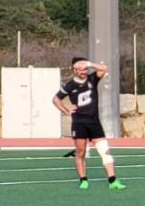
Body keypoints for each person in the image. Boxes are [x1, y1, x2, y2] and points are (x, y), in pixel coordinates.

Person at [52, 57, 125, 190]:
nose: (83, 71)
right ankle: (83, 180)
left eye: (85, 68)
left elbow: (104, 68)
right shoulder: (70, 85)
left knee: (105, 150)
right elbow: (56, 99)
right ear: (74, 70)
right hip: (79, 123)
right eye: (80, 69)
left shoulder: (92, 79)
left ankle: (113, 181)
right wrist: (66, 110)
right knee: (81, 152)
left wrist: (90, 64)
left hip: (94, 122)